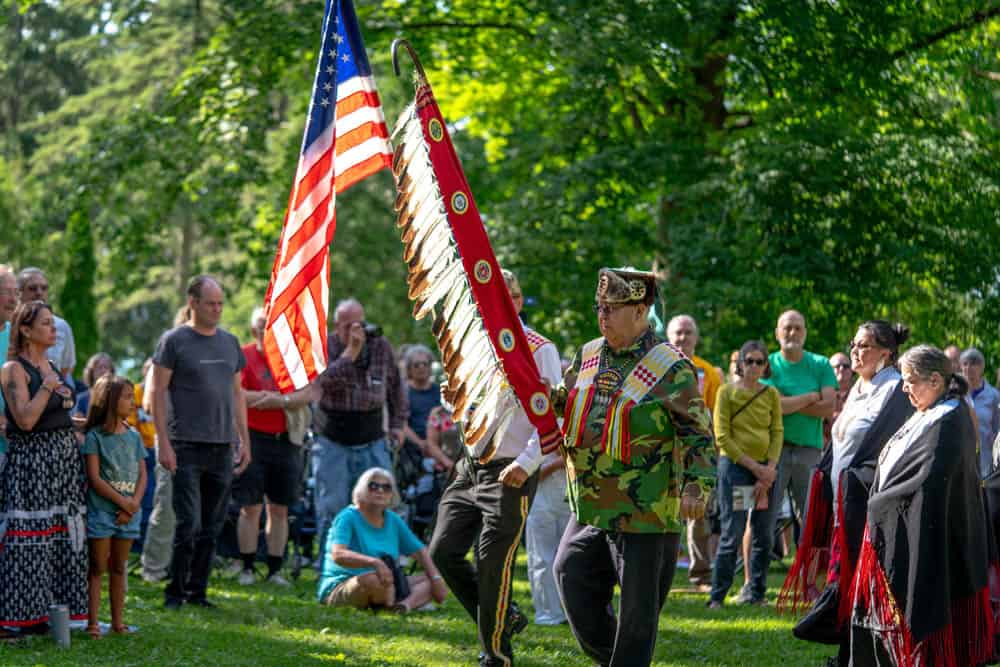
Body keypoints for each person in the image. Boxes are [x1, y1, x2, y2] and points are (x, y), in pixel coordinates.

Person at [553, 267, 716, 667]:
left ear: (640, 311)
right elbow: (572, 403)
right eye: (599, 307)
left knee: (638, 617)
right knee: (569, 573)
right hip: (591, 504)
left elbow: (698, 431)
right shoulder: (589, 354)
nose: (602, 316)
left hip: (646, 511)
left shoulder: (669, 366)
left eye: (612, 308)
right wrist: (545, 397)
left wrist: (698, 487)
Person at [429, 268, 562, 666]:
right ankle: (506, 617)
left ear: (517, 303)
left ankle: (497, 655)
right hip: (471, 464)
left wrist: (527, 463)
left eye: (505, 300)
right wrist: (455, 400)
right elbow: (472, 408)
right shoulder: (474, 347)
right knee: (443, 551)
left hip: (511, 469)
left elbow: (551, 418)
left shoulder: (539, 349)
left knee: (492, 563)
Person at [850, 344, 993, 666]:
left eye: (910, 380)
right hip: (909, 527)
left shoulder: (950, 419)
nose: (904, 388)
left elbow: (929, 479)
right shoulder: (926, 415)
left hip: (938, 539)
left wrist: (881, 503)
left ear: (935, 381)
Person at [781, 321, 913, 658]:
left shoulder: (895, 391)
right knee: (849, 583)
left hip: (871, 509)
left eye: (865, 345)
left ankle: (864, 656)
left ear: (886, 352)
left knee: (866, 586)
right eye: (854, 344)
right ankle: (848, 653)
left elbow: (888, 449)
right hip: (846, 507)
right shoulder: (858, 387)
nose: (856, 351)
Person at [152, 276, 250, 609]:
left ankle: (198, 592)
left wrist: (244, 440)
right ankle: (174, 592)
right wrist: (163, 442)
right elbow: (157, 391)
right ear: (193, 302)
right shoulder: (174, 341)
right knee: (188, 522)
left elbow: (238, 394)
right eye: (211, 303)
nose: (217, 309)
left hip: (221, 445)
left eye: (221, 303)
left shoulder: (230, 343)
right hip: (185, 444)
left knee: (212, 525)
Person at [0, 301, 87, 636]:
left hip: (62, 465)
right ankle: (21, 618)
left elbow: (56, 417)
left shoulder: (50, 364)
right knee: (30, 543)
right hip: (32, 467)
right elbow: (24, 420)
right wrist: (49, 385)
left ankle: (58, 614)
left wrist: (90, 423)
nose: (54, 330)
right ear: (26, 330)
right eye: (47, 324)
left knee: (64, 541)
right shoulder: (13, 369)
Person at [312, 298, 407, 556]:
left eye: (360, 324)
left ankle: (379, 561)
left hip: (372, 438)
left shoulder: (380, 346)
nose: (356, 330)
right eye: (348, 326)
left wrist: (398, 424)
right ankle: (329, 564)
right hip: (333, 439)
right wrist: (350, 352)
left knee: (379, 502)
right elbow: (323, 384)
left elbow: (396, 388)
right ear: (336, 326)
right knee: (332, 505)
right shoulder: (324, 346)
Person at [234, 307, 314, 586]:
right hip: (253, 438)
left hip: (286, 440)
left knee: (279, 509)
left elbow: (308, 392)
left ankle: (274, 569)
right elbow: (238, 395)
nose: (264, 331)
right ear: (253, 329)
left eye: (269, 326)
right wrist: (278, 397)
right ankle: (246, 567)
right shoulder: (243, 356)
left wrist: (276, 401)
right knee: (250, 507)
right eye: (259, 326)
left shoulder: (292, 360)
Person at [708, 340, 782, 608]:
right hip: (737, 469)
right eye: (748, 361)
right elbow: (722, 436)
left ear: (765, 366)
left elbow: (777, 431)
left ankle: (757, 593)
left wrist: (770, 468)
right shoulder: (726, 392)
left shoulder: (771, 394)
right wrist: (756, 468)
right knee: (733, 531)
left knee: (763, 533)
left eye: (759, 362)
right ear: (740, 364)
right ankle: (717, 596)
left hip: (766, 471)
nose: (753, 366)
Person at [318, 467, 448, 612]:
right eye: (373, 486)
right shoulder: (347, 517)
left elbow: (419, 551)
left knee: (433, 578)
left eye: (386, 487)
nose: (380, 491)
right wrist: (375, 563)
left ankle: (403, 606)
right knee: (374, 580)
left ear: (392, 494)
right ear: (361, 491)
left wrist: (436, 579)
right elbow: (338, 555)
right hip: (345, 584)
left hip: (387, 582)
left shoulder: (393, 519)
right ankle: (398, 601)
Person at [82, 375, 147, 638]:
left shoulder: (134, 437)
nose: (132, 402)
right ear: (109, 400)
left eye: (132, 397)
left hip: (128, 513)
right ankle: (93, 622)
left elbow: (143, 475)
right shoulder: (95, 437)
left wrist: (132, 506)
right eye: (127, 397)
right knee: (97, 566)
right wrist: (123, 503)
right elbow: (94, 478)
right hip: (102, 512)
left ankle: (118, 623)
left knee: (119, 567)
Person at [762, 310, 837, 534]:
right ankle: (754, 571)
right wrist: (811, 397)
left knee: (810, 519)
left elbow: (828, 409)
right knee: (761, 516)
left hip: (809, 451)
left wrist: (786, 402)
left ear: (805, 333)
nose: (792, 332)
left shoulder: (821, 364)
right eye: (787, 327)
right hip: (772, 452)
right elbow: (772, 407)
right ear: (777, 332)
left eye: (798, 328)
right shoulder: (766, 364)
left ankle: (807, 570)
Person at [666, 314, 722, 589]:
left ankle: (700, 575)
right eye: (677, 332)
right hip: (664, 452)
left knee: (698, 514)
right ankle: (658, 574)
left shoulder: (708, 372)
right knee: (662, 513)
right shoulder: (657, 367)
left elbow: (713, 414)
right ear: (668, 336)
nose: (682, 338)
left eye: (688, 332)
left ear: (696, 338)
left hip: (695, 453)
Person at [140, 306, 190, 583]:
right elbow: (148, 402)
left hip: (201, 438)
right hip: (170, 436)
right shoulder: (163, 357)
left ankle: (185, 567)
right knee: (166, 504)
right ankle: (154, 567)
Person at [16, 268, 76, 380]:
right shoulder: (8, 325)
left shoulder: (61, 326)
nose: (39, 292)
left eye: (44, 288)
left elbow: (65, 368)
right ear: (18, 292)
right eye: (32, 288)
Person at [961, 348, 1000, 479]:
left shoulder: (993, 396)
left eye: (973, 363)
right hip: (960, 460)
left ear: (982, 367)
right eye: (965, 364)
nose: (969, 368)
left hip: (984, 462)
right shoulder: (955, 395)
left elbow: (997, 431)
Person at [0, 265, 17, 460]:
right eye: (7, 293)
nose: (14, 300)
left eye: (16, 293)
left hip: (16, 448)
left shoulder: (18, 335)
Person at [824, 352, 855, 446]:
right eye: (837, 366)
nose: (841, 369)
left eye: (845, 366)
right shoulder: (821, 395)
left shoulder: (861, 394)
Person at [73, 352, 115, 418]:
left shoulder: (117, 396)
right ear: (91, 371)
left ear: (111, 371)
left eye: (106, 367)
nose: (103, 370)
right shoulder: (81, 399)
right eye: (99, 367)